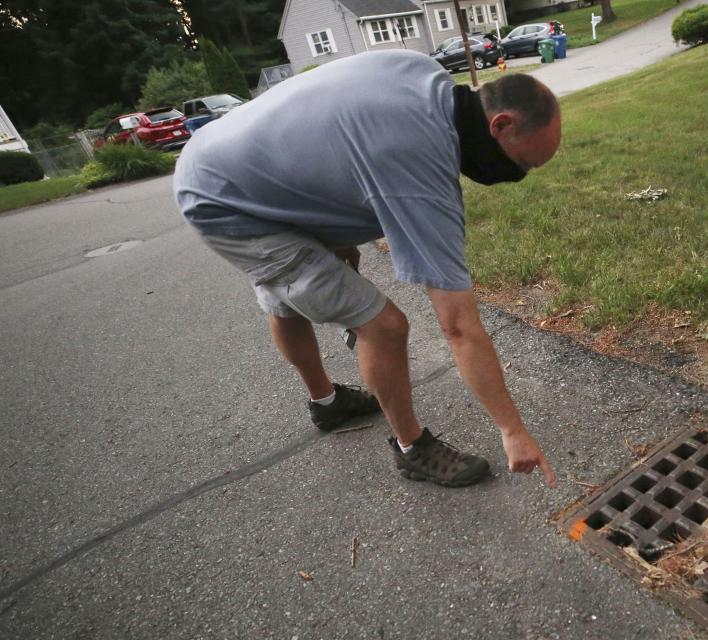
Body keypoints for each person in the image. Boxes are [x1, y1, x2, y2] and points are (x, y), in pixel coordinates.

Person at [173, 49, 560, 488]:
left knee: (286, 294)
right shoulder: (420, 165)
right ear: (501, 125)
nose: (521, 175)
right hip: (224, 203)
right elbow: (458, 328)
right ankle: (413, 448)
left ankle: (328, 403)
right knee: (384, 327)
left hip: (227, 160)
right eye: (525, 164)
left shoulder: (424, 73)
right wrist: (513, 430)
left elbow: (344, 136)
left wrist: (333, 240)